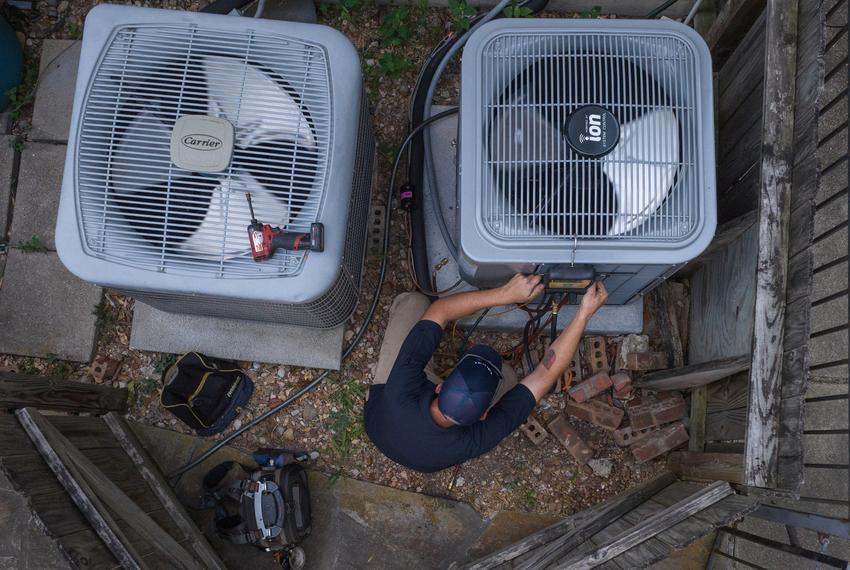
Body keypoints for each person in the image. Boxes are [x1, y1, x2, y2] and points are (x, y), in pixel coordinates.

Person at [363, 274, 609, 473]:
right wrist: (584, 314)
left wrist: (505, 294)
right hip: (399, 426)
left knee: (416, 303)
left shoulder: (402, 387)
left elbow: (440, 311)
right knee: (508, 377)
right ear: (483, 415)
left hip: (383, 421)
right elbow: (544, 375)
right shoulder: (475, 440)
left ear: (440, 387)